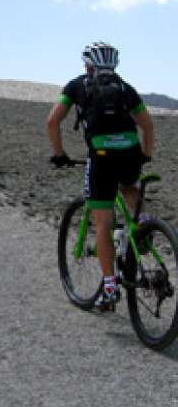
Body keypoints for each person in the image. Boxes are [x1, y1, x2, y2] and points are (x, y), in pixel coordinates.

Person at [46, 41, 155, 311]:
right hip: (129, 151)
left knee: (103, 223)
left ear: (87, 64)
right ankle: (145, 224)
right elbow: (148, 125)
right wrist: (146, 155)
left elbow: (52, 121)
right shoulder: (125, 89)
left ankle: (108, 288)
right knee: (129, 186)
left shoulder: (76, 86)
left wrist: (60, 154)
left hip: (101, 155)